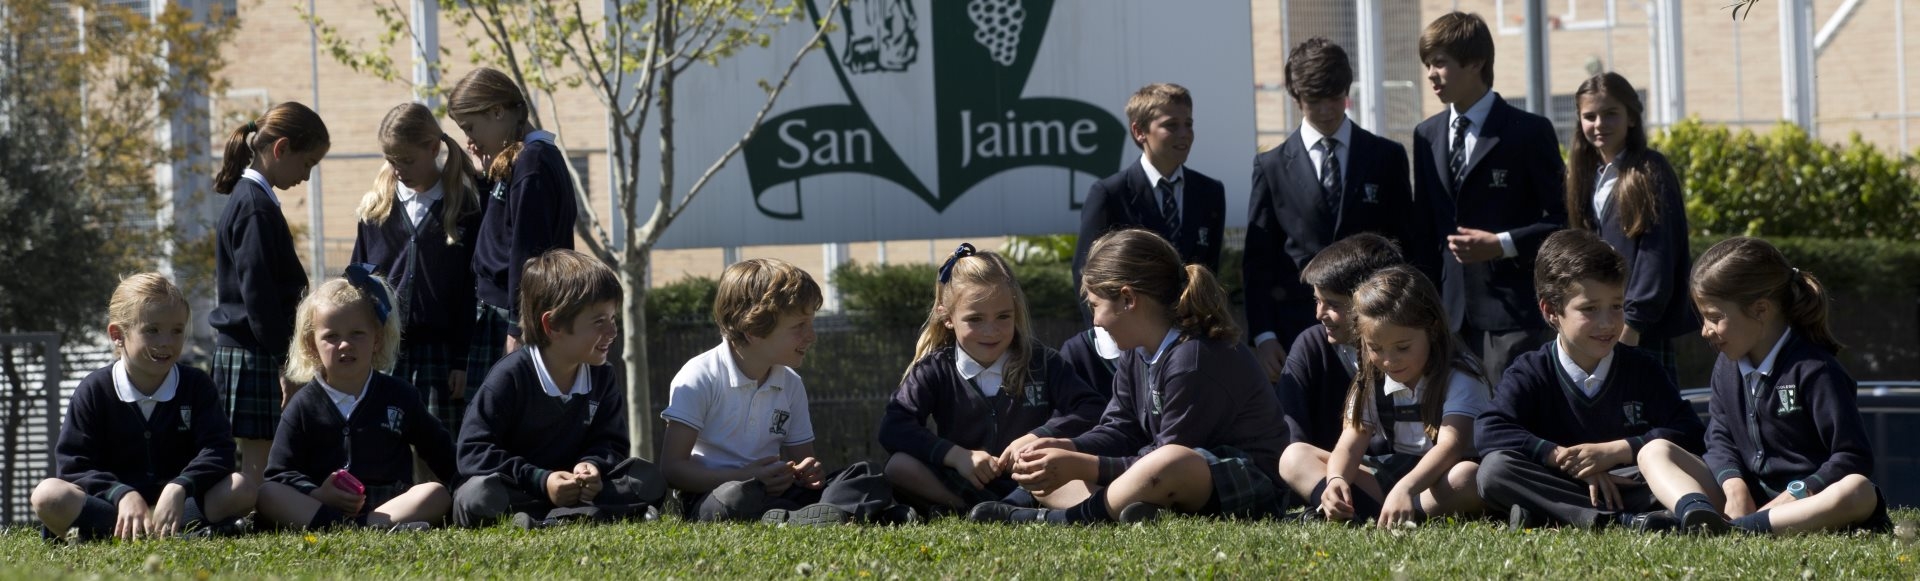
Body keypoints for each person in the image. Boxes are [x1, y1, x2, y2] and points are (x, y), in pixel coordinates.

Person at [971, 229, 1288, 525]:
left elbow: (1170, 454)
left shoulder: (1194, 358)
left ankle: (1063, 518)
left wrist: (1080, 464)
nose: (1094, 320)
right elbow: (1120, 428)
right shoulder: (1136, 350)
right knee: (1057, 474)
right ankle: (1129, 508)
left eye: (1096, 306)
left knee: (1167, 463)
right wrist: (1066, 446)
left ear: (1128, 299)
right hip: (1162, 481)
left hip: (1247, 484)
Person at [1634, 237, 1891, 535]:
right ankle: (1698, 515)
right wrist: (1734, 487)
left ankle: (1739, 530)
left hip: (1806, 504)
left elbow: (1852, 456)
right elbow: (1719, 439)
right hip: (1747, 501)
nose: (1705, 331)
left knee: (1858, 490)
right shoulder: (1725, 366)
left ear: (1760, 310)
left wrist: (1796, 494)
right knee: (1653, 451)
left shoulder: (1816, 370)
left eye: (1714, 317)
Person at [1474, 230, 1704, 530]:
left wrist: (1616, 451)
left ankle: (1550, 513)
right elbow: (1489, 430)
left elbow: (1689, 432)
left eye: (1617, 306)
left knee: (1676, 477)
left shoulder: (1642, 368)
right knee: (1494, 472)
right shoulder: (1530, 370)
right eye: (1589, 309)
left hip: (1628, 482)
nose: (1607, 323)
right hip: (1560, 480)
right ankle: (1620, 521)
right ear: (1551, 310)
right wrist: (1564, 460)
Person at [1244, 37, 1435, 381]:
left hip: (1379, 332)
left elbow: (1407, 244)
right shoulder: (1271, 166)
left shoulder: (1385, 156)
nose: (1327, 111)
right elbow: (1259, 260)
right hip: (1298, 328)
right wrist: (1264, 335)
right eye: (1314, 101)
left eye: (1336, 99)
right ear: (1295, 97)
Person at [877, 244, 1105, 515]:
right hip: (962, 484)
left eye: (1003, 316)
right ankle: (970, 511)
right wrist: (957, 456)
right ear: (947, 317)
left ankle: (1099, 508)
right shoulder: (934, 369)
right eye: (975, 319)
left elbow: (1092, 409)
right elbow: (894, 427)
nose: (991, 330)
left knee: (1073, 476)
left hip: (1033, 481)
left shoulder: (1044, 361)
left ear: (1016, 310)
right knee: (898, 466)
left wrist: (1038, 438)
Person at [32, 274, 255, 541]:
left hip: (178, 507)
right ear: (117, 335)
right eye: (152, 330)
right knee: (48, 495)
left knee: (242, 487)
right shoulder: (93, 390)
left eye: (177, 330)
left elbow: (219, 451)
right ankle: (155, 533)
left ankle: (141, 533)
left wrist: (180, 486)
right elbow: (73, 466)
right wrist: (121, 494)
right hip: (114, 510)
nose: (166, 342)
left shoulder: (197, 385)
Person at [453, 250, 666, 528]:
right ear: (552, 325)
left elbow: (611, 443)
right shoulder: (510, 376)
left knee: (646, 479)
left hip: (577, 493)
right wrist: (542, 480)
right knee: (477, 495)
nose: (612, 332)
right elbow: (473, 452)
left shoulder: (602, 376)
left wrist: (592, 466)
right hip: (522, 490)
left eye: (612, 319)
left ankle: (550, 518)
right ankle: (564, 516)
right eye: (599, 321)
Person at [1411, 12, 1566, 384]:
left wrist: (1501, 244)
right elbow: (1423, 230)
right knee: (1454, 429)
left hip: (1513, 315)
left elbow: (1561, 223)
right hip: (1446, 318)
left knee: (1512, 427)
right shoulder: (1425, 135)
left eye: (1440, 63)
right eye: (1427, 64)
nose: (1431, 73)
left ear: (1476, 62)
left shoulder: (1529, 131)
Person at [1278, 265, 1488, 528]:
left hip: (1441, 476)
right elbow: (1350, 444)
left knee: (1468, 478)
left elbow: (1450, 447)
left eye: (1403, 347)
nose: (1389, 361)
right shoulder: (1370, 377)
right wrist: (1335, 480)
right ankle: (1346, 506)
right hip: (1393, 472)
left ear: (1432, 330)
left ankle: (1396, 512)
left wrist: (1406, 488)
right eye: (1375, 348)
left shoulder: (1460, 374)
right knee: (1293, 456)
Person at [258, 267, 457, 531]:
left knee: (435, 493)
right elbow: (279, 473)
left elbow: (441, 451)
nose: (345, 345)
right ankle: (346, 526)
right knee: (268, 494)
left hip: (387, 507)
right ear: (311, 345)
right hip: (321, 506)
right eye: (331, 336)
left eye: (357, 334)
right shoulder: (303, 405)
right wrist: (318, 494)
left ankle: (364, 526)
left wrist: (470, 483)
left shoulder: (400, 395)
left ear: (377, 338)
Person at [209, 102, 330, 480]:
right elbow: (258, 297)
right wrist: (286, 361)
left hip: (248, 351)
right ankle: (250, 522)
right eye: (307, 163)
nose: (307, 177)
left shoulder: (252, 201)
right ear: (281, 149)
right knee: (257, 470)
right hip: (254, 353)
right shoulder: (254, 208)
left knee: (256, 463)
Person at [352, 101, 485, 435]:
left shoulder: (465, 209)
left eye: (407, 160)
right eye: (391, 161)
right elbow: (358, 281)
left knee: (439, 458)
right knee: (383, 456)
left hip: (440, 361)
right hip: (385, 356)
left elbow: (471, 293)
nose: (399, 169)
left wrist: (461, 361)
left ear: (433, 148)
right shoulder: (375, 209)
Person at [449, 67, 580, 392]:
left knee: (500, 429)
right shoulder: (523, 160)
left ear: (497, 112)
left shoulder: (533, 163)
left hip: (511, 320)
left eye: (470, 127)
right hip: (504, 316)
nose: (468, 140)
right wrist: (484, 176)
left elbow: (528, 253)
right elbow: (497, 231)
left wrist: (517, 330)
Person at [1561, 72, 1697, 384]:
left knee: (1653, 425)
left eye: (1611, 114)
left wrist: (1633, 323)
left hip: (1638, 332)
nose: (1599, 124)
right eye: (1590, 116)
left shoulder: (1650, 171)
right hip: (1595, 326)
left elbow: (1657, 255)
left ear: (1631, 118)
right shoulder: (1583, 175)